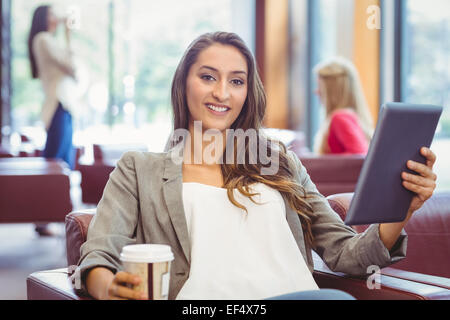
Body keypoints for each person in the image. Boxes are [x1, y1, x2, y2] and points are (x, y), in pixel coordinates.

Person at [77, 32, 437, 300]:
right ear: (183, 83)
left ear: (248, 92)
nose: (222, 93)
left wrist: (400, 210)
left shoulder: (280, 163)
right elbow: (98, 254)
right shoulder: (140, 169)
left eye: (237, 81)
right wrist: (109, 288)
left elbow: (346, 255)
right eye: (207, 77)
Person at [28, 5, 77, 236]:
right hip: (57, 105)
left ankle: (52, 217)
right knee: (55, 164)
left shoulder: (48, 40)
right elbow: (71, 67)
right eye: (51, 13)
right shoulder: (43, 39)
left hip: (63, 105)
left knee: (62, 163)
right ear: (43, 18)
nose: (55, 16)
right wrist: (68, 36)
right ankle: (43, 218)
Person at [313, 57, 374, 155]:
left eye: (320, 86)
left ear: (331, 90)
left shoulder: (340, 117)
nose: (316, 91)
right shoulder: (349, 116)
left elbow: (359, 155)